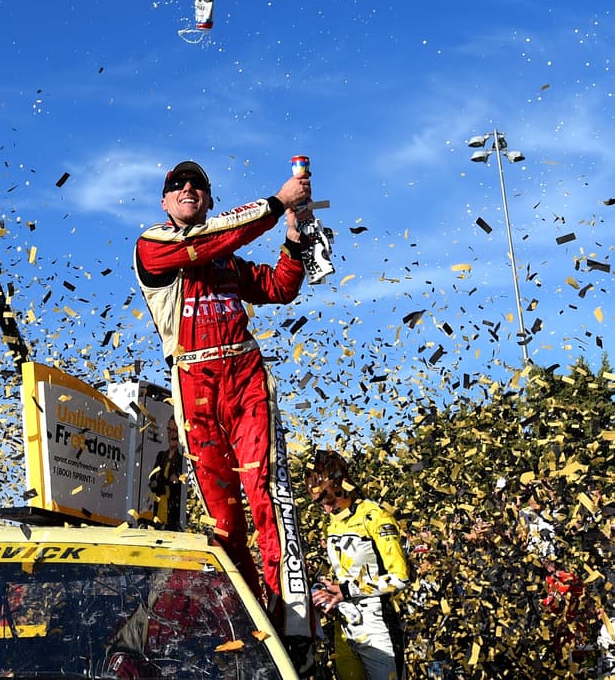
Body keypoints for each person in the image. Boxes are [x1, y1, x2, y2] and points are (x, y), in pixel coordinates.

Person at [134, 160, 316, 652]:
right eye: (177, 185)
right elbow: (208, 240)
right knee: (224, 519)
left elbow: (280, 288)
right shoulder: (153, 244)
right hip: (193, 383)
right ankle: (249, 627)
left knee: (268, 494)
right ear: (165, 202)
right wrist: (277, 203)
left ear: (209, 199)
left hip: (245, 376)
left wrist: (294, 240)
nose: (187, 188)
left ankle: (293, 625)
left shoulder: (228, 262)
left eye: (197, 184)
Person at [306, 450, 411, 680]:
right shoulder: (332, 522)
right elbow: (341, 572)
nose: (327, 509)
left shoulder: (375, 516)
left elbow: (400, 577)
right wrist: (324, 589)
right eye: (321, 504)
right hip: (344, 624)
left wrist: (346, 590)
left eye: (330, 501)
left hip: (377, 627)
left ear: (344, 487)